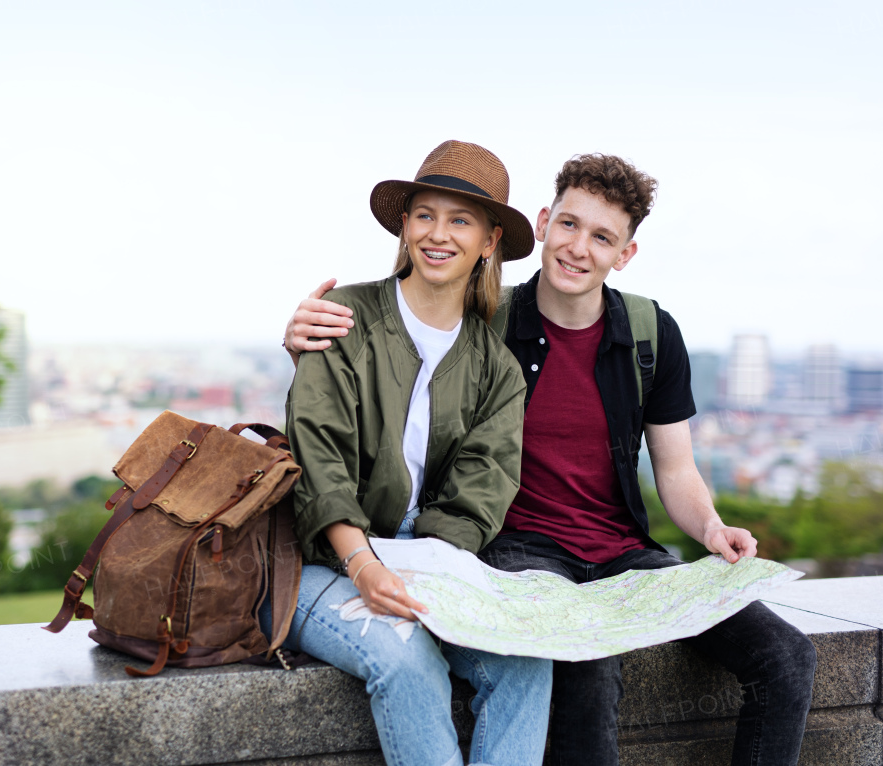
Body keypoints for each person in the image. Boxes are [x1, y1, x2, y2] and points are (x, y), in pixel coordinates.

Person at [283, 153, 818, 766]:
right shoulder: (487, 320)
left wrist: (711, 527)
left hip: (621, 552)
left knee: (787, 658)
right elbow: (399, 346)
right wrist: (300, 339)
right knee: (585, 672)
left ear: (625, 254)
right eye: (568, 225)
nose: (577, 248)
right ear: (541, 224)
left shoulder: (649, 333)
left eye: (602, 237)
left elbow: (675, 468)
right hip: (521, 549)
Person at [269, 140, 553, 766]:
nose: (437, 234)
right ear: (403, 225)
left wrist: (432, 580)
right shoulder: (343, 318)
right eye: (424, 214)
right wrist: (365, 565)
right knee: (406, 658)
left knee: (527, 663)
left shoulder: (497, 369)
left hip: (424, 568)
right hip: (316, 561)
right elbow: (319, 458)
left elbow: (480, 493)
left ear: (488, 243)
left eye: (460, 221)